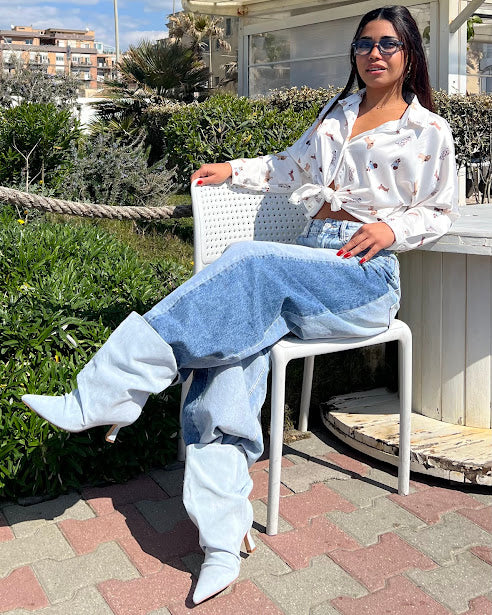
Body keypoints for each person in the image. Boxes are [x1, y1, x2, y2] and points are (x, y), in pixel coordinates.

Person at [22, 5, 458, 606]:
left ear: (410, 52)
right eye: (364, 44)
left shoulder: (428, 129)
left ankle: (108, 391)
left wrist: (391, 229)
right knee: (228, 358)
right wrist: (232, 169)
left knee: (248, 262)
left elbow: (441, 210)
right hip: (307, 261)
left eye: (388, 43)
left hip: (364, 279)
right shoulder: (337, 113)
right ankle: (223, 540)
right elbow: (288, 166)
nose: (374, 54)